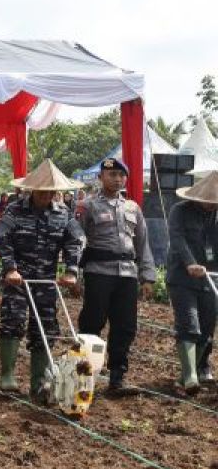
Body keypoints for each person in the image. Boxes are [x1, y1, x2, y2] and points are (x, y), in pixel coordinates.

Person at [0, 161, 85, 396]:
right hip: (18, 279)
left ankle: (38, 382)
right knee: (13, 320)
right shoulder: (14, 210)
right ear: (32, 189)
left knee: (45, 326)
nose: (47, 194)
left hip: (46, 280)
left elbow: (74, 242)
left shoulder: (63, 214)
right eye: (42, 190)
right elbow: (2, 238)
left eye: (51, 190)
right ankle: (7, 376)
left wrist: (71, 271)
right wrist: (10, 268)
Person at [76, 158, 156, 395]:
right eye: (112, 174)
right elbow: (78, 240)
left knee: (125, 325)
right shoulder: (87, 206)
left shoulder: (133, 208)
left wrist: (148, 276)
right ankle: (84, 372)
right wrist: (76, 272)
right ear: (101, 177)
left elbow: (143, 244)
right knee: (92, 321)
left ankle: (117, 376)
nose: (117, 179)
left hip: (127, 275)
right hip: (98, 271)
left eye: (121, 175)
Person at [167, 171, 218, 394]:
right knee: (190, 324)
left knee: (206, 329)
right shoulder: (180, 211)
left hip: (211, 278)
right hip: (182, 277)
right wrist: (190, 263)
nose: (211, 205)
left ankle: (186, 377)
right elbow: (177, 239)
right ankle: (190, 378)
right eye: (208, 201)